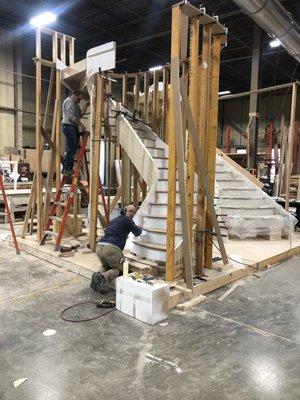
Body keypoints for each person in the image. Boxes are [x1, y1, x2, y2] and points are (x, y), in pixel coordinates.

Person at [91, 205, 142, 293]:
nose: (132, 214)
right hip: (111, 249)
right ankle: (104, 279)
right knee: (119, 270)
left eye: (134, 212)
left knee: (106, 266)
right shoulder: (128, 220)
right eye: (130, 211)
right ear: (123, 211)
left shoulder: (114, 220)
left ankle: (97, 277)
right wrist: (140, 227)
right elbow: (137, 233)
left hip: (99, 246)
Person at [61, 90, 89, 175]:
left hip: (71, 127)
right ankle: (67, 169)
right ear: (75, 95)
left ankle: (67, 168)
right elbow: (70, 117)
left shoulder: (75, 104)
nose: (79, 100)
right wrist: (81, 125)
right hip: (69, 126)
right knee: (71, 148)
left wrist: (86, 105)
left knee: (72, 148)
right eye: (79, 99)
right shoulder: (70, 101)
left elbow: (80, 115)